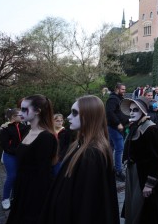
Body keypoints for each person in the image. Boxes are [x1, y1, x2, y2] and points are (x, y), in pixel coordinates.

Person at [39, 95, 120, 224]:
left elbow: (87, 206)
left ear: (89, 116)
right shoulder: (80, 145)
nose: (69, 117)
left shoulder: (92, 154)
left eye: (75, 113)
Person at [7, 94, 58, 224]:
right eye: (20, 109)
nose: (20, 113)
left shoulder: (46, 137)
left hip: (35, 194)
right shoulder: (28, 130)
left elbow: (43, 173)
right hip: (22, 187)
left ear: (37, 111)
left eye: (24, 109)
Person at [119, 97, 158, 224]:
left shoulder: (151, 129)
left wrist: (149, 184)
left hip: (145, 176)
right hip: (135, 174)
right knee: (134, 209)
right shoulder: (135, 126)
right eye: (131, 110)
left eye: (136, 110)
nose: (132, 112)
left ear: (143, 112)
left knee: (146, 212)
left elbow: (157, 159)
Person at [0, 108, 30, 210]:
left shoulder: (24, 126)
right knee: (12, 176)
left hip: (22, 156)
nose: (22, 117)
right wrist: (17, 152)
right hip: (10, 156)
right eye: (20, 115)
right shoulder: (5, 128)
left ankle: (15, 196)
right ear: (13, 117)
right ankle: (5, 198)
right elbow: (5, 146)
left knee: (21, 176)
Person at [106, 83, 129, 181]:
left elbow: (120, 112)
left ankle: (109, 167)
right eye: (123, 89)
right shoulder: (113, 99)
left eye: (124, 89)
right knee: (120, 148)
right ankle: (118, 171)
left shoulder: (118, 98)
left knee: (111, 147)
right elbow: (109, 112)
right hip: (114, 127)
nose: (124, 91)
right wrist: (118, 123)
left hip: (117, 127)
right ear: (117, 89)